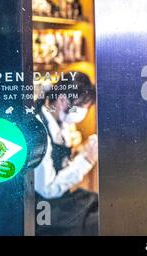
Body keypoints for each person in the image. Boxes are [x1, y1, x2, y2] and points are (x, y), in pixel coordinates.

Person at [34, 72, 98, 236]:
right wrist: (86, 160)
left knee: (98, 202)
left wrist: (82, 152)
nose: (84, 112)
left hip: (57, 201)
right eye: (82, 107)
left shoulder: (60, 121)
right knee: (96, 221)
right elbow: (47, 189)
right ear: (62, 100)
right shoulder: (41, 130)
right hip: (43, 210)